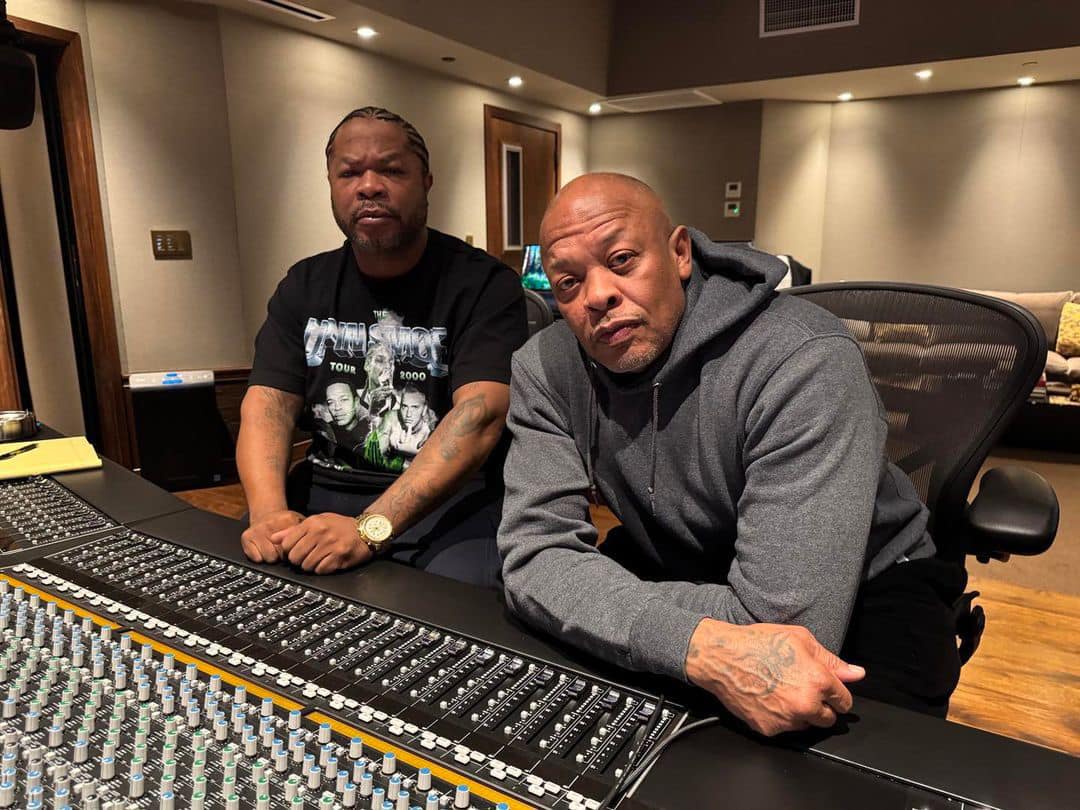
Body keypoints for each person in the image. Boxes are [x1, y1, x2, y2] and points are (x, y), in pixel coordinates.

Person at [498, 173, 966, 736]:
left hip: (868, 592)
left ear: (679, 253)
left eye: (621, 260)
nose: (597, 295)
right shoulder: (544, 367)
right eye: (568, 282)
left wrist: (591, 599)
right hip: (678, 561)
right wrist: (694, 645)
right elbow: (532, 557)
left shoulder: (803, 358)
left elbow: (782, 631)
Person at [239, 106, 527, 587]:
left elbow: (480, 416)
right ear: (331, 184)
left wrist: (370, 529)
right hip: (326, 488)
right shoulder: (303, 285)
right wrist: (268, 513)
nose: (368, 186)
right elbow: (268, 404)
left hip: (448, 500)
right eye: (349, 173)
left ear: (426, 182)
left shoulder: (483, 284)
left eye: (391, 170)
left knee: (448, 603)